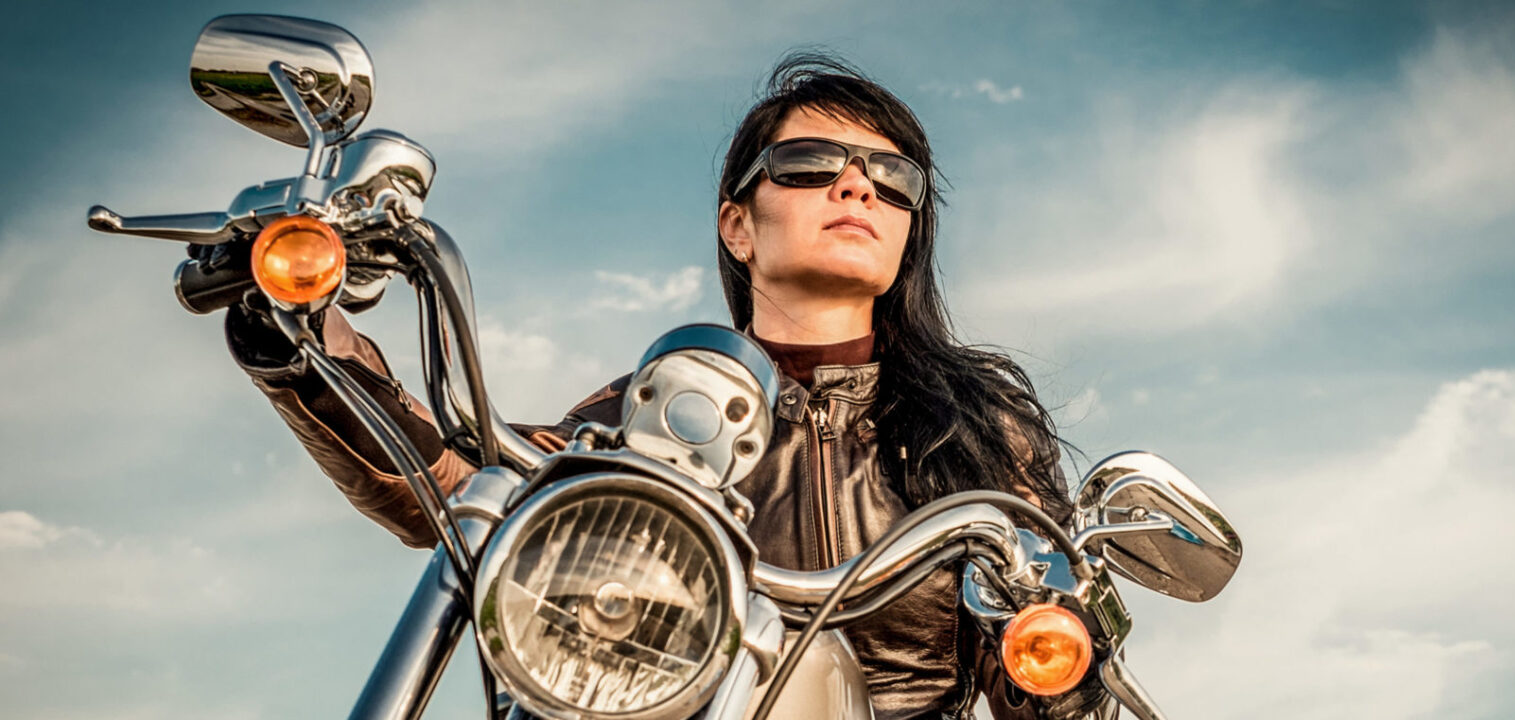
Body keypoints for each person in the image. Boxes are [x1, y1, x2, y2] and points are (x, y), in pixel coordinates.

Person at [224, 53, 1079, 719]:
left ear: (906, 235)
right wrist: (303, 340)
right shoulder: (649, 413)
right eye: (810, 163)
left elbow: (1051, 672)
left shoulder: (980, 430)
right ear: (737, 224)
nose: (857, 183)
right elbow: (454, 483)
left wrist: (1062, 646)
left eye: (892, 179)